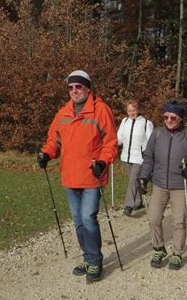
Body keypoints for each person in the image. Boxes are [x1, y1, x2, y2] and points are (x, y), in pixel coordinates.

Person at [38, 70, 118, 283]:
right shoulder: (63, 113)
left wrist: (102, 162)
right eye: (71, 87)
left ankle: (95, 260)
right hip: (70, 177)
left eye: (79, 87)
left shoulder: (101, 110)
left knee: (87, 218)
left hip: (92, 177)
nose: (74, 91)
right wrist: (46, 154)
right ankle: (88, 257)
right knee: (77, 221)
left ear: (88, 88)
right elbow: (54, 140)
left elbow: (110, 143)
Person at [138, 99, 187, 270]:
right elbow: (149, 157)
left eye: (173, 117)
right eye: (166, 117)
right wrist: (144, 177)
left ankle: (177, 253)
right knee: (153, 218)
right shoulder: (158, 134)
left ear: (180, 118)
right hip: (160, 184)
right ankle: (159, 248)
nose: (168, 120)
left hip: (180, 185)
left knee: (179, 221)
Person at [117, 99, 154, 217]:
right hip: (126, 157)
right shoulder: (124, 121)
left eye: (133, 110)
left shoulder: (146, 123)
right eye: (129, 111)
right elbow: (120, 138)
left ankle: (128, 206)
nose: (131, 113)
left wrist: (146, 153)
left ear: (138, 110)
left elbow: (150, 141)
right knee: (133, 181)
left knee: (133, 181)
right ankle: (138, 202)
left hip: (139, 158)